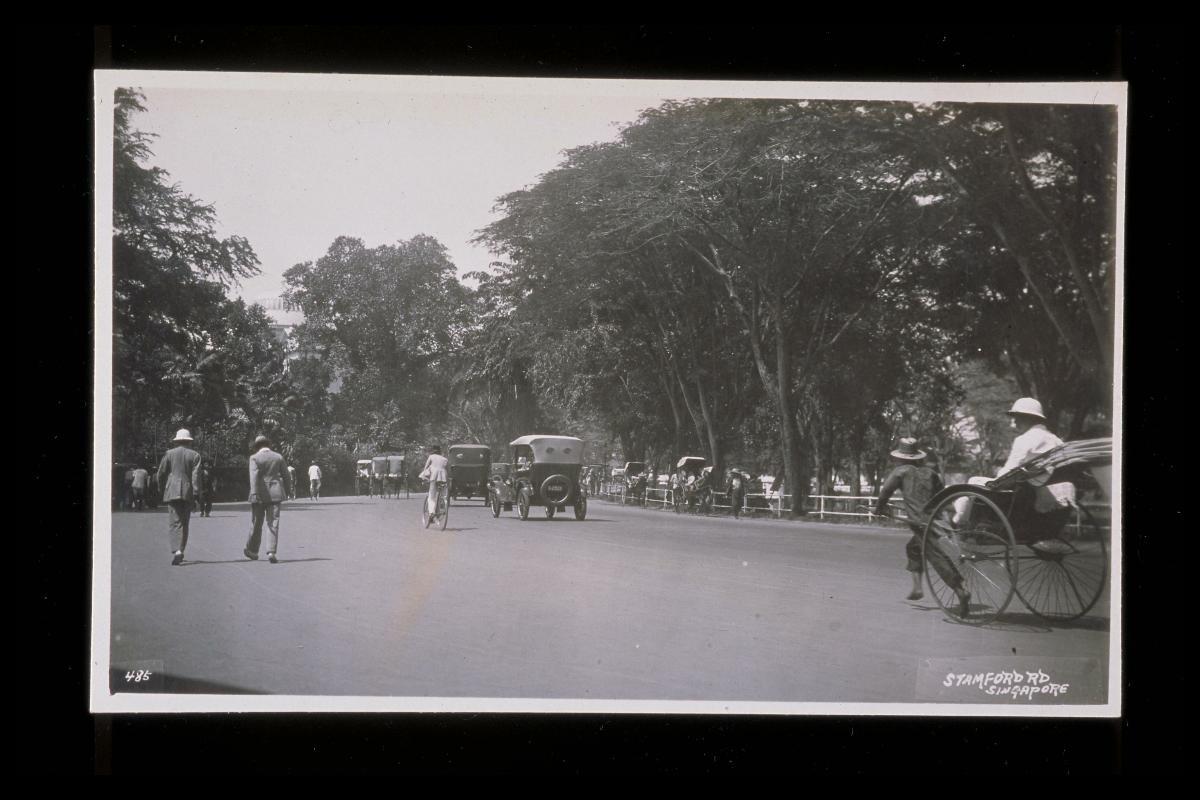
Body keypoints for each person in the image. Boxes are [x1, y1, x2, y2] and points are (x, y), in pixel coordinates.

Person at [873, 437, 971, 614]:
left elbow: (886, 491)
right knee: (913, 548)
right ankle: (917, 587)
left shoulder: (900, 472)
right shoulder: (931, 473)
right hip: (935, 518)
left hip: (920, 522)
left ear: (901, 457)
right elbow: (942, 495)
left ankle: (960, 589)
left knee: (935, 556)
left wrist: (879, 508)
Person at [156, 429, 202, 566]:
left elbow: (161, 473)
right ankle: (181, 549)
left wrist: (161, 487)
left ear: (176, 441)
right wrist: (196, 493)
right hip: (187, 491)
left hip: (172, 490)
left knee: (174, 522)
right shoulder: (195, 455)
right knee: (185, 522)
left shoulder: (169, 454)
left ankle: (176, 550)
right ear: (189, 441)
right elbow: (196, 476)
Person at [244, 434, 292, 564]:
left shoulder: (254, 458)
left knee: (256, 523)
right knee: (273, 522)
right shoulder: (278, 457)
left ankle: (252, 551)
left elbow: (253, 476)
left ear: (257, 446)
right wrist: (288, 491)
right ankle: (271, 551)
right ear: (268, 444)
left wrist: (254, 493)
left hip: (259, 493)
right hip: (275, 493)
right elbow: (286, 476)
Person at [419, 445, 449, 512]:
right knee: (444, 494)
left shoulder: (431, 457)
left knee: (432, 495)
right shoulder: (445, 459)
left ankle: (431, 512)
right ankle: (444, 504)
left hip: (434, 477)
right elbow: (448, 471)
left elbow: (426, 467)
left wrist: (424, 476)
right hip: (443, 477)